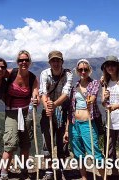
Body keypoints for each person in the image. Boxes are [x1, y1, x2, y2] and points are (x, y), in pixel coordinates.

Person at [0, 50, 39, 180]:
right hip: (11, 112)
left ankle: (24, 170)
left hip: (26, 112)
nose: (24, 62)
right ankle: (4, 172)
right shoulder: (11, 73)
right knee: (10, 142)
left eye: (26, 60)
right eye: (21, 60)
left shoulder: (32, 78)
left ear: (30, 62)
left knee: (25, 143)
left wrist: (35, 99)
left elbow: (35, 92)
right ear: (17, 62)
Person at [64, 59, 105, 180]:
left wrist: (90, 100)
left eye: (85, 69)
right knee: (78, 153)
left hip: (88, 123)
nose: (83, 72)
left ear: (89, 71)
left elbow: (92, 98)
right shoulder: (74, 87)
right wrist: (67, 130)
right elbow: (70, 110)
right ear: (77, 71)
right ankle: (84, 177)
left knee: (94, 152)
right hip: (74, 124)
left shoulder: (94, 83)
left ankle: (103, 177)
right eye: (80, 69)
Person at [39, 50, 73, 179]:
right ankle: (48, 169)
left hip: (61, 111)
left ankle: (60, 168)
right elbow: (43, 92)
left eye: (58, 60)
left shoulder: (67, 74)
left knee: (61, 142)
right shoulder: (44, 74)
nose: (55, 63)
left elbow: (66, 92)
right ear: (49, 62)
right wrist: (47, 106)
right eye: (53, 60)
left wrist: (54, 105)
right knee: (47, 141)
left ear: (62, 62)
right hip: (48, 110)